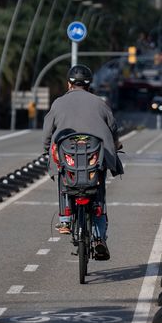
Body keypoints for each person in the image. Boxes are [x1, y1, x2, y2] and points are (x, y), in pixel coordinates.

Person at [42, 64, 123, 261]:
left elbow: (47, 132)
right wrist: (116, 144)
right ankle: (99, 239)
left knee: (63, 176)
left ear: (69, 83)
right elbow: (112, 127)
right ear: (89, 85)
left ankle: (65, 219)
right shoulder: (100, 103)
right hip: (95, 160)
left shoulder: (58, 103)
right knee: (99, 196)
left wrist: (47, 149)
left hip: (68, 160)